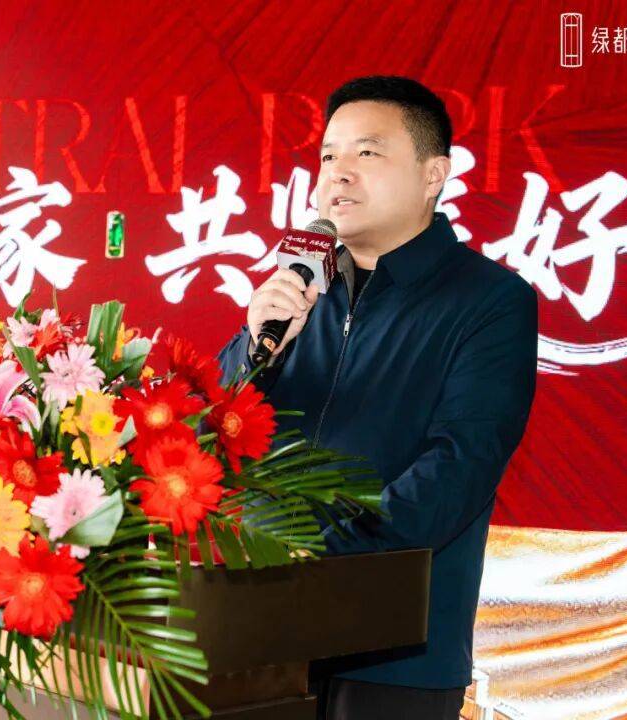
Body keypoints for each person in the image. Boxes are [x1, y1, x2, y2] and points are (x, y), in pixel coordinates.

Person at [216, 75, 538, 719]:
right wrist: (257, 350)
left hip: (395, 653)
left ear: (433, 174)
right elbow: (213, 429)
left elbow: (460, 464)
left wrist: (317, 560)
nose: (338, 173)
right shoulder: (300, 292)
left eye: (366, 153)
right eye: (328, 156)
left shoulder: (490, 301)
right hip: (254, 639)